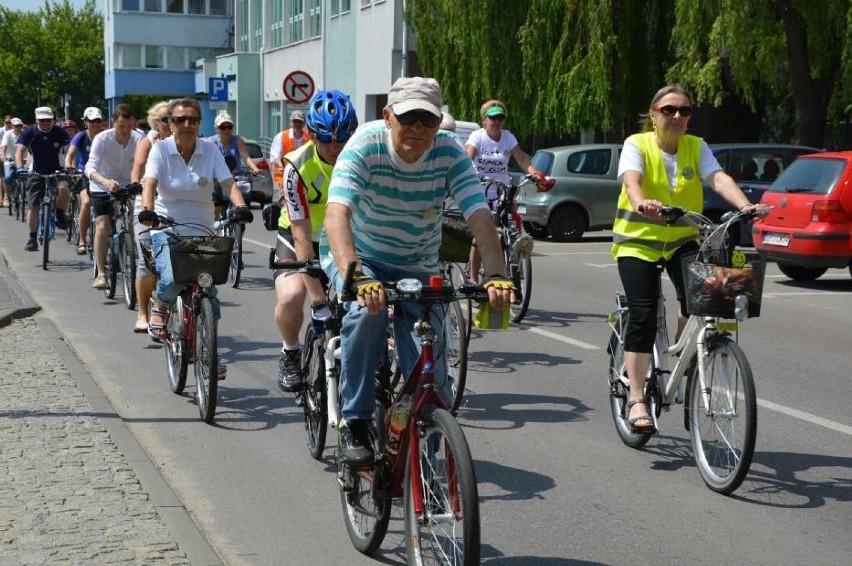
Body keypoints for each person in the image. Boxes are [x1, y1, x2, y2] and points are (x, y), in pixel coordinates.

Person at [322, 76, 515, 464]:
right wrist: (357, 275)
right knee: (365, 315)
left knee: (430, 373)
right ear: (388, 116)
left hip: (419, 262)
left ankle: (423, 428)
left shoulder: (450, 151)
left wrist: (496, 273)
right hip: (363, 254)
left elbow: (478, 215)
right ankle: (355, 421)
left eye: (427, 120)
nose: (418, 129)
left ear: (438, 121)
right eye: (409, 117)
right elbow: (336, 214)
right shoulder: (365, 145)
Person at [611, 83, 767, 433]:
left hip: (682, 239)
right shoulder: (636, 144)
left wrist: (745, 206)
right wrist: (640, 202)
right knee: (644, 312)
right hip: (637, 242)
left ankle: (679, 362)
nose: (677, 116)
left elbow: (718, 177)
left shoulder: (696, 147)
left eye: (684, 110)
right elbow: (631, 181)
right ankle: (636, 397)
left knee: (704, 300)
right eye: (669, 110)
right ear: (653, 115)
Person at [138, 98, 253, 347]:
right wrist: (148, 210)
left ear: (199, 123)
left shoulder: (209, 149)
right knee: (170, 279)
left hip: (202, 230)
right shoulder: (160, 149)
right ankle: (161, 307)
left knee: (209, 295)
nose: (187, 124)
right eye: (180, 119)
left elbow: (227, 182)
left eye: (193, 119)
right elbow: (149, 183)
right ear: (170, 123)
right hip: (167, 227)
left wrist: (241, 205)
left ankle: (210, 353)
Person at [272, 89, 357, 394]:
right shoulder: (297, 165)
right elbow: (300, 232)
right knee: (293, 296)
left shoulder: (361, 158)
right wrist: (318, 299)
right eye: (326, 138)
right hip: (300, 236)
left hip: (344, 237)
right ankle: (290, 352)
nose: (335, 146)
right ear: (311, 135)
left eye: (342, 138)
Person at [465, 99, 542, 281]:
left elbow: (522, 160)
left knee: (512, 223)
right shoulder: (477, 137)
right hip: (481, 190)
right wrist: (468, 173)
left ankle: (515, 263)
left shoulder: (508, 137)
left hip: (502, 190)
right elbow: (467, 157)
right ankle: (473, 278)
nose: (496, 121)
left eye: (500, 117)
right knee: (481, 233)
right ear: (484, 120)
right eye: (492, 118)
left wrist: (535, 173)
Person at [85, 104, 144, 290]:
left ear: (134, 124)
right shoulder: (102, 139)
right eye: (121, 127)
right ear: (113, 123)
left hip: (128, 184)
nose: (126, 131)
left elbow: (147, 164)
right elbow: (90, 168)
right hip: (102, 185)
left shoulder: (139, 137)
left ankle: (131, 252)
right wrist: (105, 182)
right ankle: (101, 273)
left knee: (136, 218)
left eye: (129, 127)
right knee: (102, 227)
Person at [130, 101, 171, 333]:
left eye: (172, 118)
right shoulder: (147, 142)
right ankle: (142, 312)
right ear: (156, 123)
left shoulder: (182, 143)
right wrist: (136, 183)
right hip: (147, 207)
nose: (170, 123)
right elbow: (137, 167)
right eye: (165, 119)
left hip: (172, 208)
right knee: (146, 262)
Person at [15, 106, 71, 252]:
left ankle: (59, 212)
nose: (45, 123)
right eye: (42, 120)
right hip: (36, 171)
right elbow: (20, 150)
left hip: (57, 170)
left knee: (64, 188)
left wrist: (71, 165)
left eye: (48, 120)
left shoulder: (59, 131)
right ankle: (32, 237)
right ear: (36, 120)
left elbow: (69, 149)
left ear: (52, 119)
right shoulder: (30, 132)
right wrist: (20, 166)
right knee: (33, 205)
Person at [66, 107, 108, 255]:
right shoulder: (81, 136)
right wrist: (70, 168)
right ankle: (82, 240)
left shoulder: (106, 136)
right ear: (85, 122)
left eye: (98, 121)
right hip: (84, 174)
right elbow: (70, 155)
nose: (95, 124)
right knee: (85, 202)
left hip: (102, 176)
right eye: (92, 121)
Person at [208, 112, 261, 215]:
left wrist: (255, 168)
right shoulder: (210, 142)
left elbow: (245, 157)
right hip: (218, 178)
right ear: (216, 129)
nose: (227, 130)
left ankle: (239, 225)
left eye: (229, 127)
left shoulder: (238, 140)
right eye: (223, 127)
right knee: (217, 203)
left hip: (236, 176)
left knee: (242, 208)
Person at [269, 110, 312, 193]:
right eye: (295, 121)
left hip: (305, 177)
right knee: (285, 202)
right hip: (285, 177)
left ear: (304, 123)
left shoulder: (309, 137)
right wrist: (282, 166)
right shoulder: (281, 136)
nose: (297, 124)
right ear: (290, 122)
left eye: (300, 121)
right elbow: (275, 155)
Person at [0, 118, 25, 204]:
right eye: (16, 125)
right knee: (7, 177)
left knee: (29, 178)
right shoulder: (7, 134)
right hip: (10, 159)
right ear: (12, 126)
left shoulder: (24, 134)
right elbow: (4, 146)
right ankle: (7, 196)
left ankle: (25, 195)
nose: (18, 127)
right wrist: (3, 157)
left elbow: (29, 148)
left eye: (20, 125)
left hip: (23, 160)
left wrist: (29, 160)